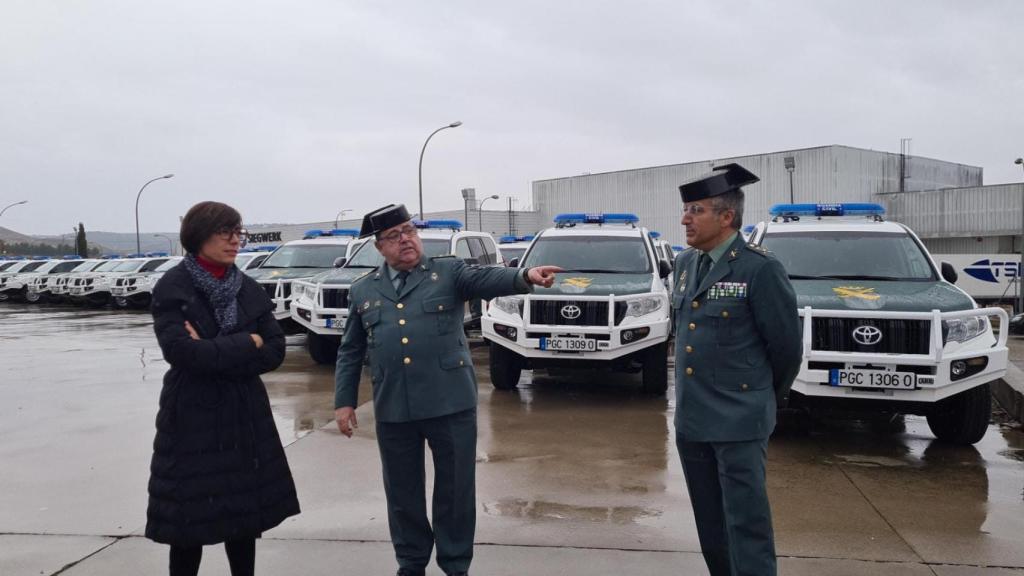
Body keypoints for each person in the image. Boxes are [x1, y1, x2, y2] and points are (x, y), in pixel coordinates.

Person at [334, 204, 560, 576]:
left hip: (449, 402)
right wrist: (344, 402)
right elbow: (350, 350)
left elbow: (488, 278)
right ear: (379, 247)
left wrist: (526, 275)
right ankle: (411, 563)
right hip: (394, 405)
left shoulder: (448, 272)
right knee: (402, 495)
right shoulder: (363, 290)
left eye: (409, 230)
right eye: (394, 235)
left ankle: (456, 565)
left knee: (455, 492)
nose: (406, 239)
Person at [146, 201, 301, 576]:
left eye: (239, 233)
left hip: (242, 414)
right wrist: (248, 343)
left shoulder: (246, 286)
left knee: (244, 519)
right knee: (187, 525)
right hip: (191, 418)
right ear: (199, 236)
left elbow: (276, 349)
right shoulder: (173, 287)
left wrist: (213, 348)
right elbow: (181, 353)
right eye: (227, 233)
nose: (236, 241)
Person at [672, 164, 802, 576]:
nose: (684, 219)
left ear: (727, 217)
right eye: (686, 210)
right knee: (711, 524)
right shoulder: (685, 266)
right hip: (693, 421)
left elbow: (785, 350)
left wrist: (758, 400)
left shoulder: (759, 269)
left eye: (696, 210)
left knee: (747, 525)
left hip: (739, 420)